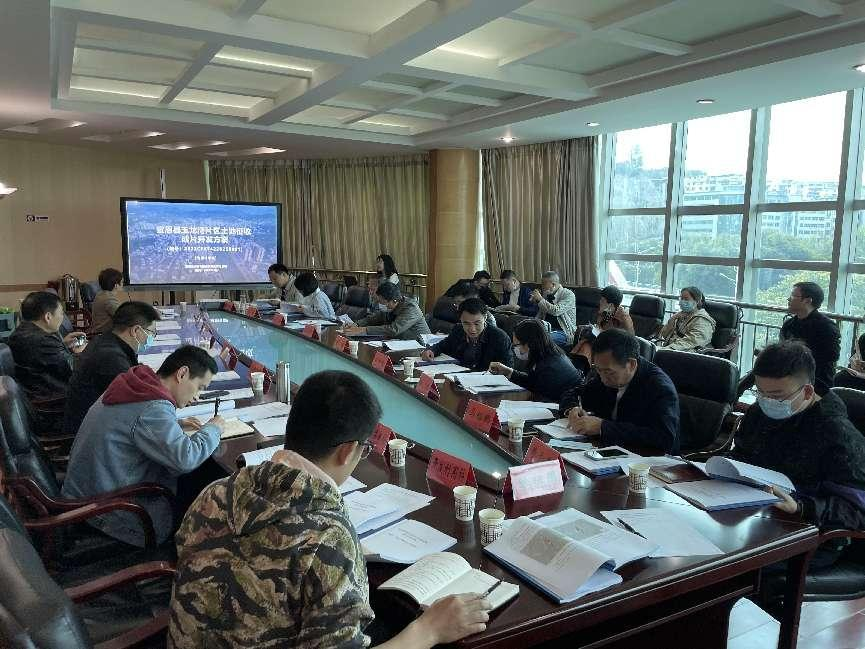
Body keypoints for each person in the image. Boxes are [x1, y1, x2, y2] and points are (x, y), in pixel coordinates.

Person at [167, 370, 492, 649]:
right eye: (364, 448)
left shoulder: (215, 492)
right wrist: (429, 630)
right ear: (348, 451)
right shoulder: (328, 538)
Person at [61, 346, 224, 547]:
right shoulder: (153, 408)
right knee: (204, 493)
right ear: (182, 373)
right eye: (199, 387)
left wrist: (175, 425)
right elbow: (185, 459)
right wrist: (213, 429)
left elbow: (135, 423)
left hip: (85, 495)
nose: (197, 396)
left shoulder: (137, 384)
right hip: (107, 513)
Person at [732, 342, 865, 545]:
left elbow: (856, 508)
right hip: (756, 514)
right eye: (761, 392)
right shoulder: (759, 411)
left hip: (813, 532)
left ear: (808, 392)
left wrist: (802, 507)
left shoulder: (836, 432)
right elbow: (743, 454)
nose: (766, 401)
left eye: (776, 396)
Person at [560, 329, 680, 454]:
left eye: (609, 372)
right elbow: (573, 393)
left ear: (631, 364)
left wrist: (602, 427)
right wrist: (572, 409)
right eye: (598, 370)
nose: (602, 378)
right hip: (606, 451)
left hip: (646, 460)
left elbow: (664, 439)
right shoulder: (606, 373)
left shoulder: (659, 387)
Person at [62, 301, 161, 437]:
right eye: (152, 333)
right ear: (135, 331)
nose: (152, 338)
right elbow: (138, 405)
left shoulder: (105, 340)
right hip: (90, 435)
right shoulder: (112, 358)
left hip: (92, 424)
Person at [8, 292, 85, 426]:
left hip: (39, 393)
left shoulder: (21, 332)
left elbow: (45, 358)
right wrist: (80, 353)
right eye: (61, 313)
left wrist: (62, 344)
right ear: (48, 317)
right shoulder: (42, 340)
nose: (62, 317)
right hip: (53, 406)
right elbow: (73, 369)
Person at [489, 319, 583, 402]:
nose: (515, 349)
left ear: (529, 344)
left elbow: (537, 392)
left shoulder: (550, 367)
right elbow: (532, 381)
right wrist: (508, 371)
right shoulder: (547, 355)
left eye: (516, 345)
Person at [780, 281, 840, 395]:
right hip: (790, 375)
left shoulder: (826, 326)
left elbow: (832, 356)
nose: (788, 299)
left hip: (817, 381)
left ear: (807, 301)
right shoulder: (789, 324)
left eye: (793, 296)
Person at [421, 298, 512, 370]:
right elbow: (443, 345)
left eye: (477, 323)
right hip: (458, 378)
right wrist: (431, 351)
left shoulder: (500, 338)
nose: (472, 329)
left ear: (485, 318)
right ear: (460, 319)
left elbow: (507, 371)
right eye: (466, 323)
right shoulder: (458, 330)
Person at [347, 282, 431, 340]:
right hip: (400, 341)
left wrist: (364, 330)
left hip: (420, 345)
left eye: (383, 302)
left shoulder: (411, 308)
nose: (381, 305)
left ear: (394, 300)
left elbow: (393, 330)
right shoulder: (393, 306)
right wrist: (357, 324)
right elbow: (375, 318)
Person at [655, 286, 715, 352]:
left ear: (697, 301)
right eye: (681, 298)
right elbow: (664, 335)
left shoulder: (702, 320)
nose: (682, 301)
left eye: (686, 299)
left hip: (686, 354)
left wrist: (665, 350)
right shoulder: (680, 315)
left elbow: (690, 342)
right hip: (671, 350)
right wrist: (672, 320)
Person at [531, 271, 577, 346]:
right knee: (526, 333)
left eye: (544, 284)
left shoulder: (568, 294)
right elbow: (540, 314)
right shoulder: (546, 294)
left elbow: (556, 310)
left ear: (553, 285)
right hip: (546, 328)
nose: (542, 287)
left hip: (564, 331)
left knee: (543, 338)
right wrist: (535, 302)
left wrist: (540, 299)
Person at [89, 268, 127, 335]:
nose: (123, 284)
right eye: (122, 282)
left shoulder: (101, 294)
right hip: (105, 335)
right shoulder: (109, 299)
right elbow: (123, 317)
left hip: (100, 332)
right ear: (116, 285)